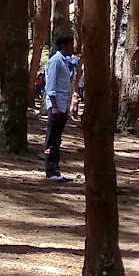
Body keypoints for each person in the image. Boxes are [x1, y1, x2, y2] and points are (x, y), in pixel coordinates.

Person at [43, 30, 77, 182]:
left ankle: (56, 171)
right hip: (56, 105)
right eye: (70, 45)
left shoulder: (66, 61)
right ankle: (50, 171)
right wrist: (54, 106)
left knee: (57, 139)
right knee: (51, 139)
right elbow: (50, 85)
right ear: (63, 46)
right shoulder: (55, 61)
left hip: (63, 104)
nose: (72, 48)